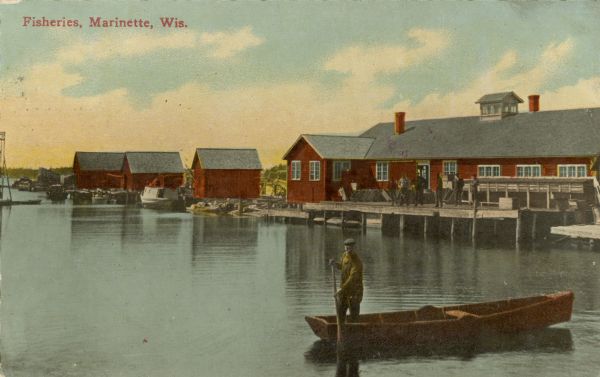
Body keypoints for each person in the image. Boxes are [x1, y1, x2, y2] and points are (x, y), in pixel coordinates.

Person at [329, 238, 363, 324]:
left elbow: (352, 277)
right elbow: (342, 266)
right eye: (346, 247)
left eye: (350, 247)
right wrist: (335, 264)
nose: (348, 249)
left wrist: (342, 288)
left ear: (353, 248)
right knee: (340, 313)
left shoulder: (357, 261)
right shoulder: (344, 255)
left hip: (354, 293)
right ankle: (341, 330)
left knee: (354, 317)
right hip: (344, 292)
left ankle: (355, 334)